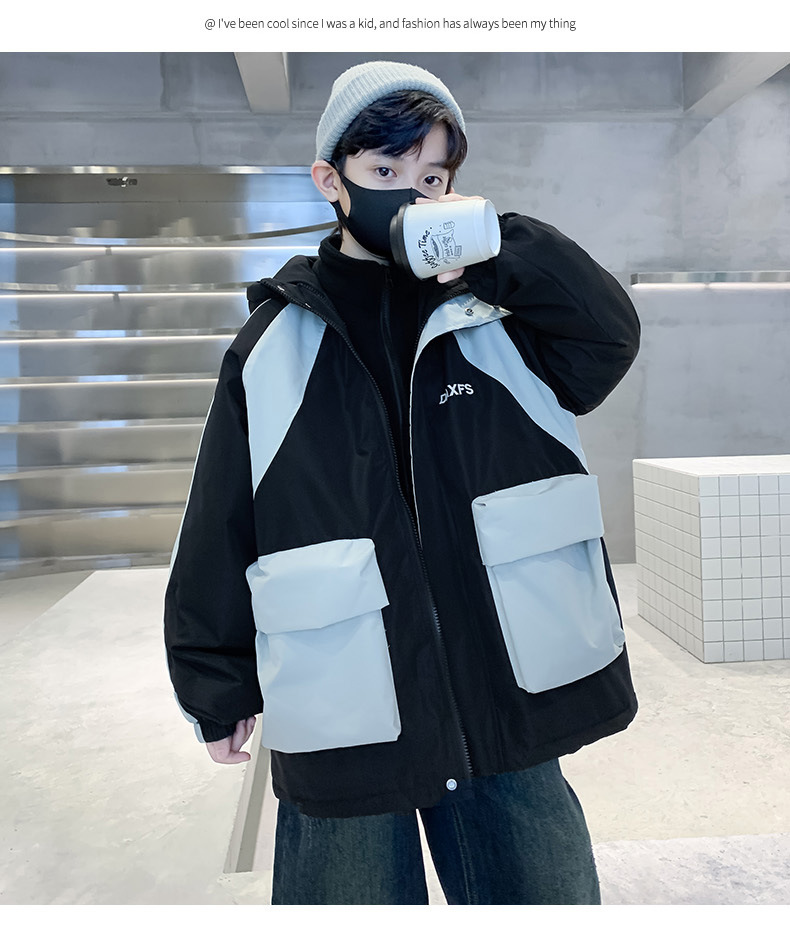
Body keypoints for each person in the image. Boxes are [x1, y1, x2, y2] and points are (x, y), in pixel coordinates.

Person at [164, 59, 640, 905]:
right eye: (385, 171)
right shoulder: (271, 346)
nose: (411, 196)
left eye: (432, 178)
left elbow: (608, 337)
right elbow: (220, 519)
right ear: (331, 181)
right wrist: (215, 680)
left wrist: (498, 248)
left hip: (500, 692)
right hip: (346, 706)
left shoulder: (497, 316)